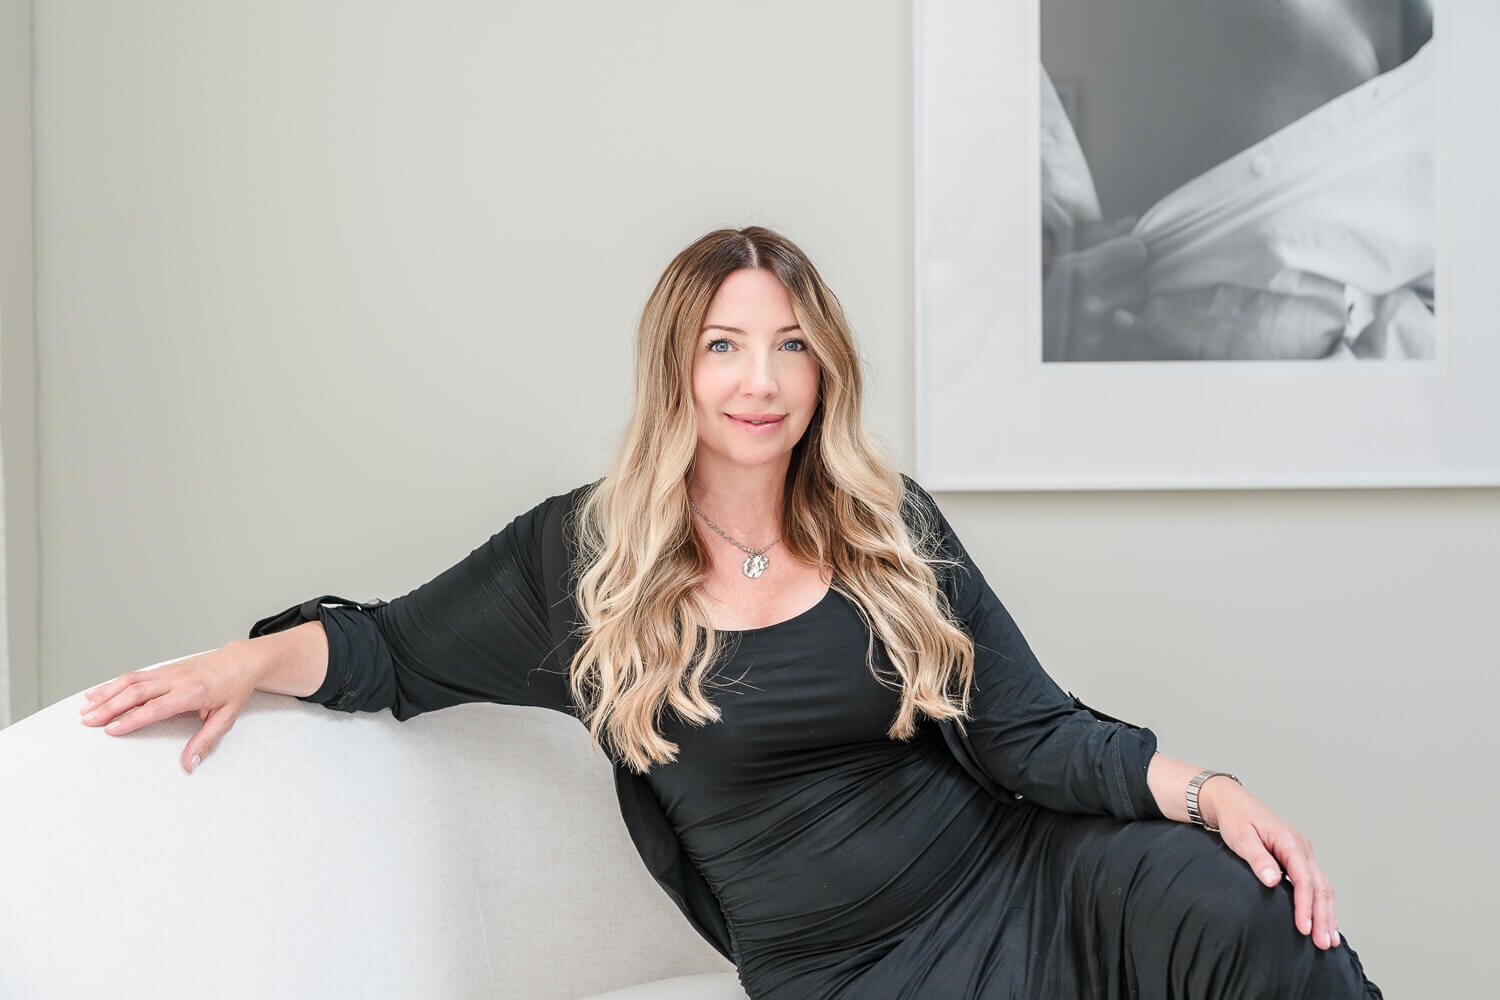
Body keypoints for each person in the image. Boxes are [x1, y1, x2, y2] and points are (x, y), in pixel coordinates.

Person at [79, 227, 1382, 998]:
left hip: (1024, 879)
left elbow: (1033, 732)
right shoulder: (581, 559)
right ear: (677, 366)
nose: (761, 380)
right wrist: (245, 661)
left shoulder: (887, 521)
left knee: (1242, 910)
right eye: (724, 345)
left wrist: (1208, 792)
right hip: (850, 974)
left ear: (824, 367)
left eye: (790, 344)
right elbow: (391, 649)